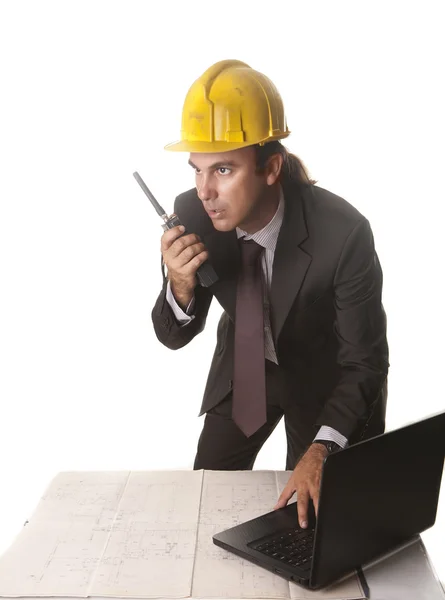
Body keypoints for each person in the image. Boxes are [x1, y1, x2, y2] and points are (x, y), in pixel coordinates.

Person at [151, 59, 389, 529]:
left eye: (222, 169)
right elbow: (172, 336)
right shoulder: (191, 212)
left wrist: (323, 448)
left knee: (312, 519)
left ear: (271, 167)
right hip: (246, 363)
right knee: (206, 500)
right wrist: (179, 284)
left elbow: (366, 362)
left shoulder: (343, 234)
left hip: (325, 380)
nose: (205, 191)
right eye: (196, 169)